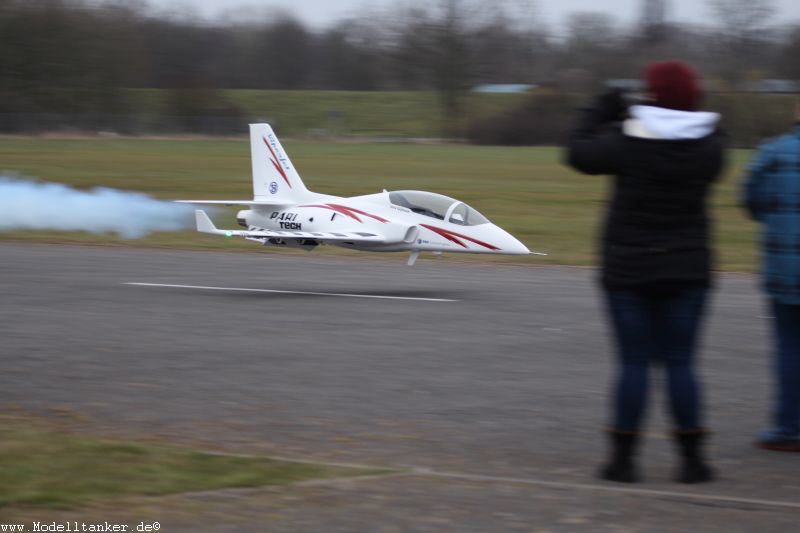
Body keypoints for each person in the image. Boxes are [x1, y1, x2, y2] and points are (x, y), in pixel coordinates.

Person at [564, 60, 726, 483]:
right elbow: (695, 131)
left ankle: (623, 460)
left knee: (633, 362)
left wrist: (602, 109)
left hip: (628, 266)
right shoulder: (712, 145)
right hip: (688, 267)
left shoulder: (627, 139)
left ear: (651, 95)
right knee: (681, 362)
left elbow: (578, 152)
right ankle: (692, 460)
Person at [741, 103, 800, 452]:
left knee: (789, 347)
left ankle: (789, 427)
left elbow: (751, 199)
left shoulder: (774, 152)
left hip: (786, 270)